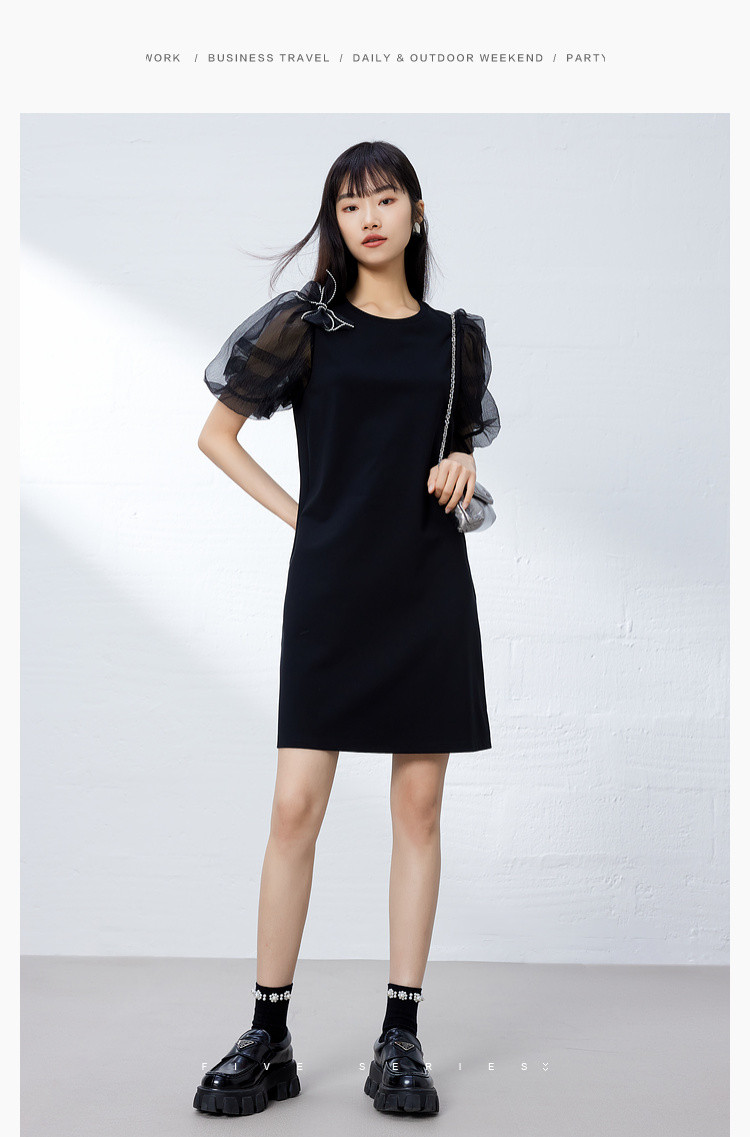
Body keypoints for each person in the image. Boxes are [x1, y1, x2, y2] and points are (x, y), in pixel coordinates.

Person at [193, 139, 500, 1118]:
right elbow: (216, 436)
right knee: (295, 808)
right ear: (336, 219)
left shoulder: (455, 341)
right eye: (350, 202)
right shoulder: (307, 325)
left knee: (419, 811)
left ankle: (399, 1037)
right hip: (332, 593)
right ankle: (268, 1033)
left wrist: (465, 470)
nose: (369, 216)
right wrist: (307, 521)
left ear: (417, 211)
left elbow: (459, 474)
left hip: (427, 589)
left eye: (386, 197)